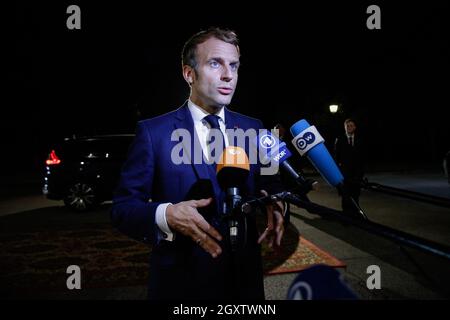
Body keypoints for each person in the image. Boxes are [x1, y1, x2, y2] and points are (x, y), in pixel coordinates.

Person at [111, 27, 286, 300]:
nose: (229, 75)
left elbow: (271, 184)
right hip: (182, 285)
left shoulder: (254, 128)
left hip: (245, 284)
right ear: (188, 73)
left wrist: (277, 205)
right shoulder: (153, 133)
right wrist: (165, 215)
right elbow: (122, 209)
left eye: (234, 66)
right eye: (215, 63)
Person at [334, 118, 365, 215]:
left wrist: (361, 172)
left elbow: (363, 157)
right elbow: (336, 156)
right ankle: (346, 216)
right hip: (344, 173)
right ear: (344, 127)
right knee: (345, 196)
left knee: (355, 195)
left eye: (351, 125)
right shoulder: (339, 139)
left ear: (355, 127)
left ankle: (356, 215)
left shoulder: (360, 139)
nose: (349, 127)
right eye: (347, 126)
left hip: (357, 173)